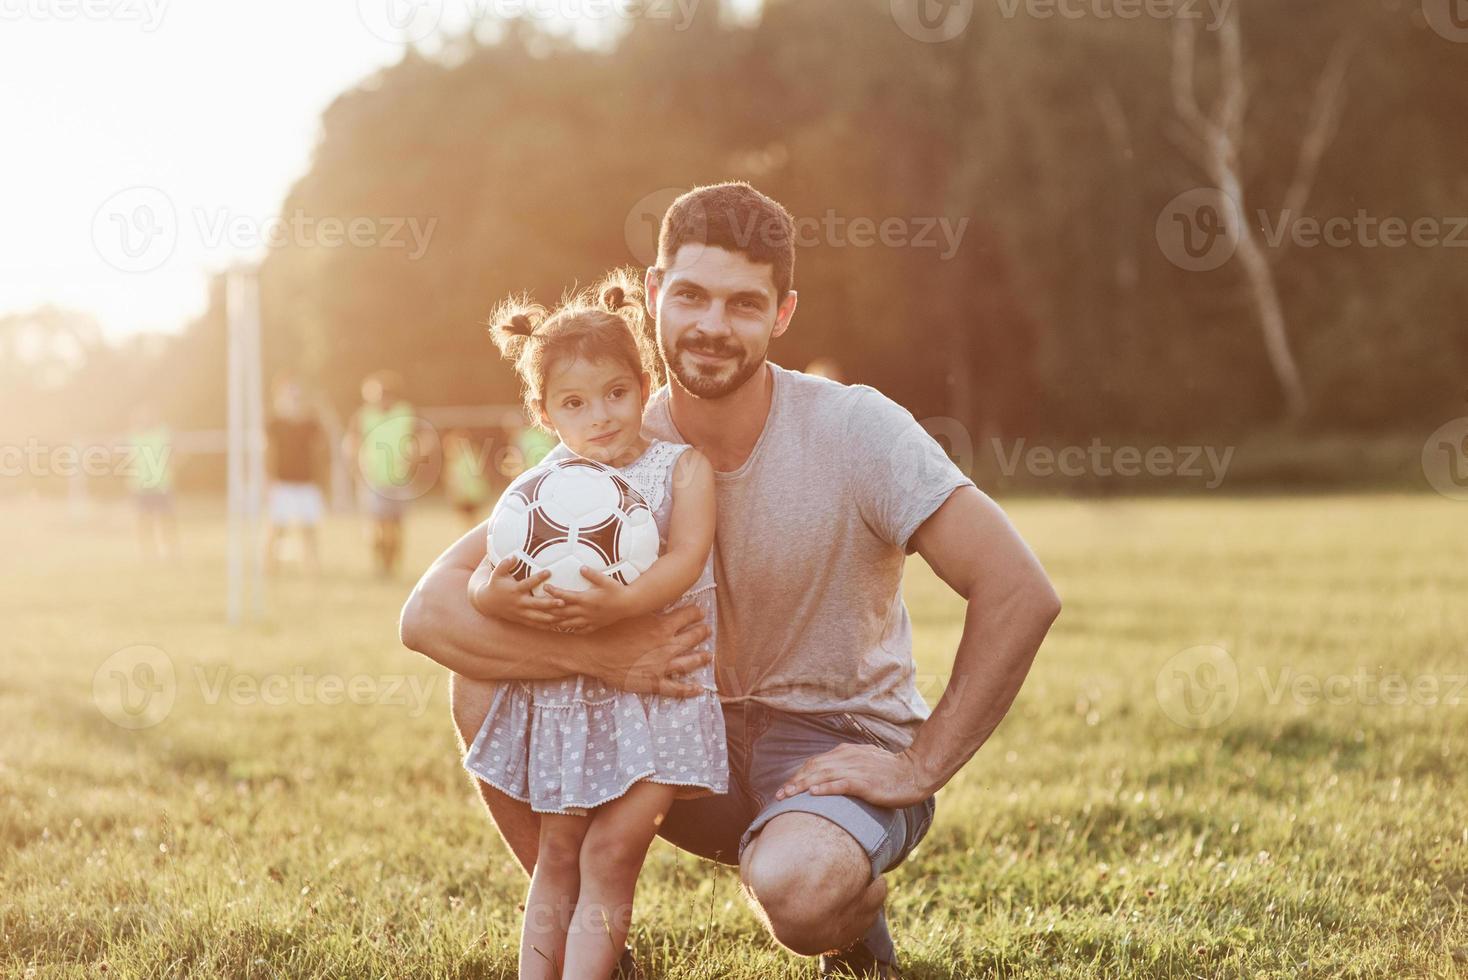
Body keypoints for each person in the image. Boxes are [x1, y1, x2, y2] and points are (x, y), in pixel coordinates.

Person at [400, 182, 1062, 979]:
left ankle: (851, 920)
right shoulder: (610, 437)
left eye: (743, 304)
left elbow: (1020, 591)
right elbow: (431, 611)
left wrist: (921, 764)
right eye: (691, 296)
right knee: (481, 681)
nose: (712, 326)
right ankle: (598, 946)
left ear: (782, 314)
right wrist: (602, 660)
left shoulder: (857, 429)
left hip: (828, 749)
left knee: (800, 891)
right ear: (653, 297)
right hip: (677, 739)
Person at [465, 271, 724, 980]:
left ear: (646, 384)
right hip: (567, 704)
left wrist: (621, 606)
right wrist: (501, 599)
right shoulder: (537, 490)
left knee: (612, 856)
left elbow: (685, 558)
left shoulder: (681, 469)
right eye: (574, 404)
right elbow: (486, 577)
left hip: (660, 698)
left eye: (616, 393)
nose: (600, 416)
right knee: (557, 855)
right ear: (544, 413)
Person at [345, 370, 424, 577]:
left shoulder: (405, 412)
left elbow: (424, 439)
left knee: (397, 525)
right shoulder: (363, 416)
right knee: (378, 526)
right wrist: (356, 468)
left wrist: (413, 457)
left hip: (400, 479)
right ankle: (379, 566)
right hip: (373, 479)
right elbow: (352, 444)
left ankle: (393, 566)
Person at [265, 379, 326, 574]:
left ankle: (312, 565)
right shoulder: (274, 423)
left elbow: (320, 450)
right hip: (282, 483)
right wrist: (268, 479)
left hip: (306, 482)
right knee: (277, 526)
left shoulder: (310, 423)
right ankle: (270, 565)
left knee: (308, 527)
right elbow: (268, 451)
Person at [127, 405, 178, 561]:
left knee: (166, 519)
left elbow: (174, 453)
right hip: (141, 485)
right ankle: (145, 553)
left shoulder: (164, 433)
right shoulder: (134, 435)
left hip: (162, 484)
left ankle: (170, 552)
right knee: (142, 521)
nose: (146, 419)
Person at [442, 429, 493, 529]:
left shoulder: (466, 458)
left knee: (471, 522)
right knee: (470, 522)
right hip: (466, 495)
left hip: (471, 495)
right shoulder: (457, 460)